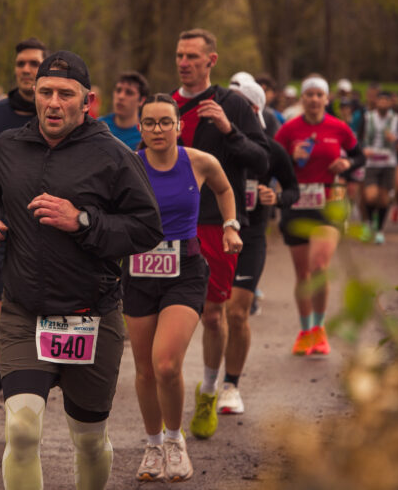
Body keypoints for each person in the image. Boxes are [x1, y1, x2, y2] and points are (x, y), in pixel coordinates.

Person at [0, 50, 163, 490]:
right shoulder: (10, 146)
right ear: (33, 95)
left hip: (88, 315)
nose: (54, 103)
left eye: (65, 94)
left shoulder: (112, 155)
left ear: (87, 100)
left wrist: (84, 221)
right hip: (23, 312)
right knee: (21, 431)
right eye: (46, 92)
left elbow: (148, 227)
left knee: (89, 440)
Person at [125, 94, 243, 483]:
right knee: (144, 370)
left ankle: (175, 441)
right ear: (140, 129)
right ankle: (153, 444)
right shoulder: (128, 165)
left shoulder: (199, 161)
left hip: (185, 269)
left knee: (166, 364)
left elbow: (226, 190)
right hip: (139, 270)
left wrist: (230, 225)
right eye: (150, 123)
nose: (158, 129)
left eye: (165, 122)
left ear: (179, 126)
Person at [170, 28, 269, 440]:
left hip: (214, 224)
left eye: (192, 55)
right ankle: (163, 390)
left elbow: (262, 159)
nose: (184, 62)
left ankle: (210, 389)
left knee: (214, 314)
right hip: (169, 225)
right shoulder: (165, 105)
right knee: (164, 314)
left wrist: (229, 130)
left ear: (212, 60)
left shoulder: (234, 105)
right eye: (179, 55)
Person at [218, 79, 299, 416]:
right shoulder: (213, 145)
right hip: (214, 234)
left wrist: (276, 197)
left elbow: (293, 189)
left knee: (237, 312)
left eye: (240, 105)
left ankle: (231, 385)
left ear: (253, 110)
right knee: (212, 315)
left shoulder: (270, 148)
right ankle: (208, 381)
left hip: (251, 237)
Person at [0, 38, 47, 398]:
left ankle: (24, 378)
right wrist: (8, 171)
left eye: (34, 63)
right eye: (21, 64)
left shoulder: (54, 112)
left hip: (42, 229)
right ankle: (6, 361)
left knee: (35, 316)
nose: (27, 70)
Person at [274, 75, 365, 356]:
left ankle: (320, 328)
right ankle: (305, 331)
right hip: (296, 203)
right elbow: (270, 163)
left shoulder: (339, 128)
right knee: (302, 273)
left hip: (328, 203)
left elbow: (360, 156)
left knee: (319, 267)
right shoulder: (289, 130)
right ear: (302, 99)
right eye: (309, 94)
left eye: (319, 95)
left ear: (327, 99)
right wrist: (290, 157)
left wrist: (347, 163)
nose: (314, 99)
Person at [358, 90, 398, 243]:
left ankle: (379, 230)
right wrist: (363, 150)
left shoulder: (397, 119)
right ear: (376, 102)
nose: (383, 103)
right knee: (370, 196)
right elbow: (359, 137)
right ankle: (369, 223)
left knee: (383, 199)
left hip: (389, 162)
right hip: (371, 162)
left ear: (390, 103)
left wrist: (395, 140)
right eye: (380, 100)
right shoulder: (368, 117)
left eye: (386, 101)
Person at [99, 71, 149, 151]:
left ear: (141, 100)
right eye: (118, 90)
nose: (121, 96)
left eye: (129, 92)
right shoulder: (99, 127)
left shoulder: (147, 132)